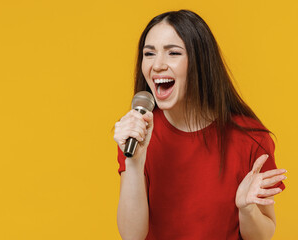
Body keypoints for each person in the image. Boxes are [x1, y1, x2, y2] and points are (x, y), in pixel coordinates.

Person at [113, 10, 286, 240]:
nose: (157, 65)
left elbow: (263, 235)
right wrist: (134, 163)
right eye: (149, 53)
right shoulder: (139, 133)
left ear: (200, 60)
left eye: (173, 53)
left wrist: (247, 209)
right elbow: (131, 236)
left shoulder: (251, 139)